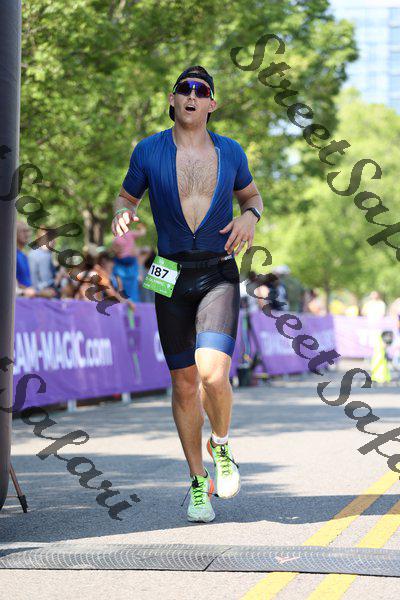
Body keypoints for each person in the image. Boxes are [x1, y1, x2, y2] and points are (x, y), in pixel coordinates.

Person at [112, 65, 263, 523]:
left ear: (212, 103)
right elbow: (126, 198)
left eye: (201, 90)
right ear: (173, 99)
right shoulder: (148, 150)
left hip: (217, 271)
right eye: (185, 89)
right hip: (170, 275)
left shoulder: (231, 151)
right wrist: (122, 213)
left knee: (213, 374)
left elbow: (252, 198)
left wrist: (250, 217)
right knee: (182, 383)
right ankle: (198, 482)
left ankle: (221, 445)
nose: (192, 95)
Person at [112, 225, 146, 302]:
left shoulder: (116, 237)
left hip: (120, 262)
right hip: (131, 262)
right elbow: (142, 233)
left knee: (120, 286)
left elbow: (114, 249)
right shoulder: (130, 233)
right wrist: (141, 227)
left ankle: (123, 300)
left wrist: (120, 251)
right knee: (133, 285)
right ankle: (132, 302)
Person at [28, 226, 57, 294]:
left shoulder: (33, 253)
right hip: (42, 293)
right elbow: (46, 281)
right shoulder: (44, 255)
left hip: (35, 291)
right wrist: (59, 278)